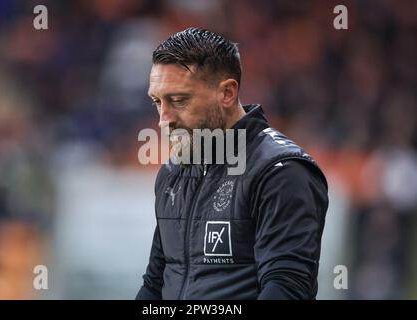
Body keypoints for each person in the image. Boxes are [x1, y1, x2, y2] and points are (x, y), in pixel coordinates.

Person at [136, 27, 328, 300]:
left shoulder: (282, 172)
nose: (163, 120)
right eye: (157, 102)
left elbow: (286, 287)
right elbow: (155, 284)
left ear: (227, 93)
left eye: (178, 100)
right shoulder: (172, 174)